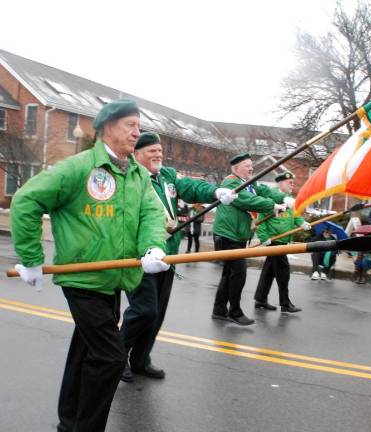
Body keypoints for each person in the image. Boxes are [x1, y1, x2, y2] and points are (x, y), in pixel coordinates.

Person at [10, 99, 170, 432]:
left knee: (84, 352)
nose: (136, 132)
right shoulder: (80, 167)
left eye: (138, 126)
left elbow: (152, 215)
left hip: (114, 280)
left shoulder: (138, 175)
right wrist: (31, 257)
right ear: (108, 127)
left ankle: (69, 423)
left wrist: (153, 246)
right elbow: (26, 200)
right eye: (131, 125)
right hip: (82, 279)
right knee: (111, 358)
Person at [120, 132, 236, 382]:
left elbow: (192, 187)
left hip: (168, 256)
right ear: (136, 154)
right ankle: (117, 358)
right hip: (141, 256)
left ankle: (141, 359)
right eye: (152, 151)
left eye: (160, 151)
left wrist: (216, 192)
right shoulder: (130, 177)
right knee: (144, 310)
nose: (158, 155)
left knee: (157, 312)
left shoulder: (168, 176)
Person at [212, 152, 288, 325]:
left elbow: (265, 191)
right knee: (238, 273)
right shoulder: (231, 182)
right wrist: (273, 206)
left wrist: (284, 198)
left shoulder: (248, 183)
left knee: (229, 274)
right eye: (247, 165)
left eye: (251, 165)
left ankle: (219, 310)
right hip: (227, 235)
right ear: (236, 168)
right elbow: (249, 201)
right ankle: (235, 312)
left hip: (237, 235)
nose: (251, 168)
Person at [253, 172, 312, 313]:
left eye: (293, 182)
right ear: (280, 183)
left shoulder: (289, 199)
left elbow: (294, 215)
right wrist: (263, 237)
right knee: (283, 272)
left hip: (283, 241)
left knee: (269, 271)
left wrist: (302, 222)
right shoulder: (271, 197)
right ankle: (285, 304)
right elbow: (261, 218)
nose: (292, 184)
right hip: (274, 241)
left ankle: (260, 300)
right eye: (289, 182)